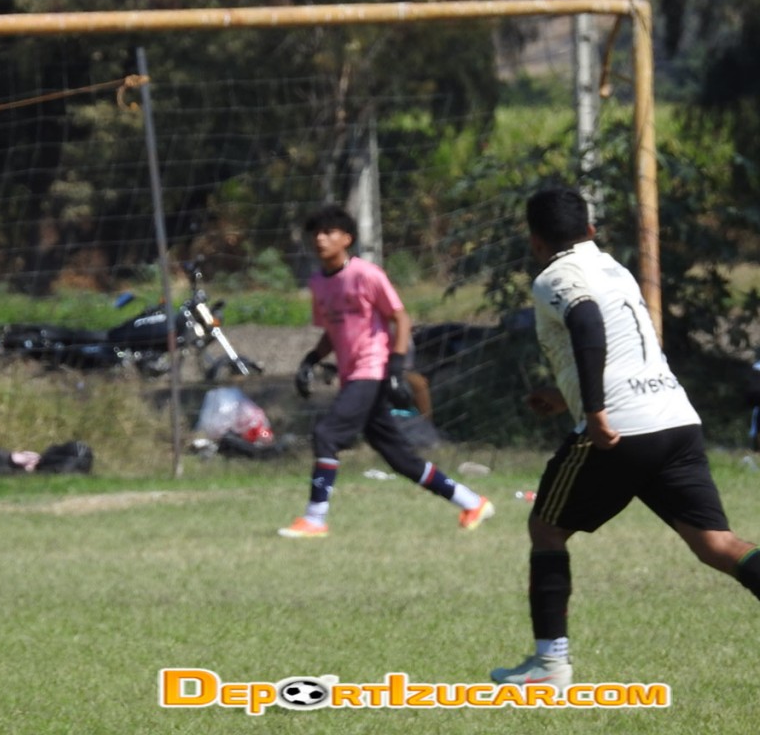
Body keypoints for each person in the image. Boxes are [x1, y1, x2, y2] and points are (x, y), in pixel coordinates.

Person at [491, 186, 760, 689]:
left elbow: (587, 323)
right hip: (674, 419)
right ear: (591, 230)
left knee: (546, 530)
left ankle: (550, 665)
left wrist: (594, 411)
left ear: (535, 241)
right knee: (717, 544)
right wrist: (566, 394)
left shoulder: (555, 276)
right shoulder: (614, 267)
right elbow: (616, 343)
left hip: (620, 428)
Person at [277, 205, 495, 539]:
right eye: (316, 233)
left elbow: (400, 318)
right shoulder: (319, 283)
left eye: (329, 232)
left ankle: (315, 518)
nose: (321, 239)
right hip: (353, 373)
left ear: (347, 239)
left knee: (326, 435)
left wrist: (396, 366)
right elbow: (333, 331)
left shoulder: (366, 274)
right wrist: (311, 359)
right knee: (398, 457)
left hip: (373, 367)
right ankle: (472, 502)